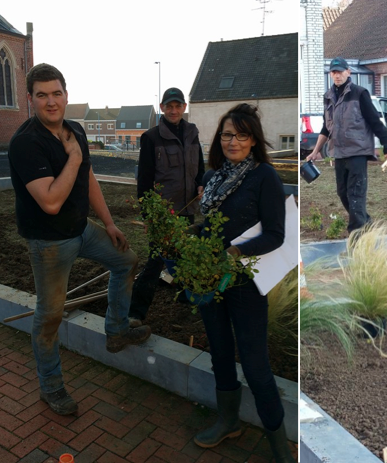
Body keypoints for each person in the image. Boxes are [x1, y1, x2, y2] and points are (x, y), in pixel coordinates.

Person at [8, 63, 151, 416]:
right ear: (30, 99)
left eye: (57, 93)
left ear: (66, 95)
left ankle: (116, 330)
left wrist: (109, 223)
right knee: (50, 317)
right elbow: (52, 202)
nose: (51, 101)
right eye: (42, 95)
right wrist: (72, 155)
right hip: (49, 244)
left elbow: (87, 180)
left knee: (127, 260)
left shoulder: (75, 130)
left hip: (82, 229)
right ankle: (51, 387)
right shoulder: (26, 143)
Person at [193, 104, 294, 462]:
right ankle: (228, 421)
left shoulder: (264, 176)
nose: (232, 141)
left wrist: (235, 252)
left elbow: (277, 236)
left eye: (240, 135)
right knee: (220, 352)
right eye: (226, 134)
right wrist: (187, 236)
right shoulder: (212, 177)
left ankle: (279, 447)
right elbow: (206, 226)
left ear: (253, 140)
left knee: (254, 364)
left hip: (245, 284)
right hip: (209, 279)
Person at [128, 87, 205, 327]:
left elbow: (200, 167)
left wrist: (201, 184)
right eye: (169, 106)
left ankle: (186, 299)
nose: (173, 110)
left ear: (184, 107)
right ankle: (136, 312)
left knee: (184, 256)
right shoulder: (151, 137)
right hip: (164, 215)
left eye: (178, 106)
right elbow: (144, 180)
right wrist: (149, 215)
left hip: (188, 209)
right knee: (156, 260)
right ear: (162, 108)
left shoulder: (192, 133)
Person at [306, 57, 387, 233]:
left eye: (340, 71)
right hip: (339, 154)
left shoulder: (359, 93)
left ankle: (356, 240)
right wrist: (315, 151)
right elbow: (326, 127)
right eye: (334, 72)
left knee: (355, 196)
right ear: (330, 74)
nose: (337, 75)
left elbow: (374, 121)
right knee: (343, 194)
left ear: (348, 72)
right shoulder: (328, 97)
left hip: (357, 153)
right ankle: (368, 226)